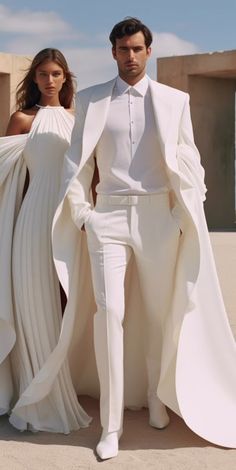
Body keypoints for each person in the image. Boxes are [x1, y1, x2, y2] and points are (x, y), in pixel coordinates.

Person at [53, 18, 236, 459]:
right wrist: (83, 216)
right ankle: (110, 425)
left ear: (148, 52)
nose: (130, 56)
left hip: (158, 217)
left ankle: (156, 397)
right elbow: (75, 165)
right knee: (109, 313)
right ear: (112, 52)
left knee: (157, 314)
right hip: (108, 217)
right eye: (122, 49)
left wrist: (177, 214)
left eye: (137, 48)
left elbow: (191, 162)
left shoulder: (175, 101)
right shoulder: (93, 100)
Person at [0, 48, 91, 433]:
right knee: (34, 305)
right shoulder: (22, 120)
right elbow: (5, 178)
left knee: (68, 304)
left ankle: (57, 382)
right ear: (34, 78)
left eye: (56, 74)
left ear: (65, 78)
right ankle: (33, 395)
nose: (50, 80)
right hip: (33, 220)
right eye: (42, 74)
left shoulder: (81, 119)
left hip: (71, 219)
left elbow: (94, 172)